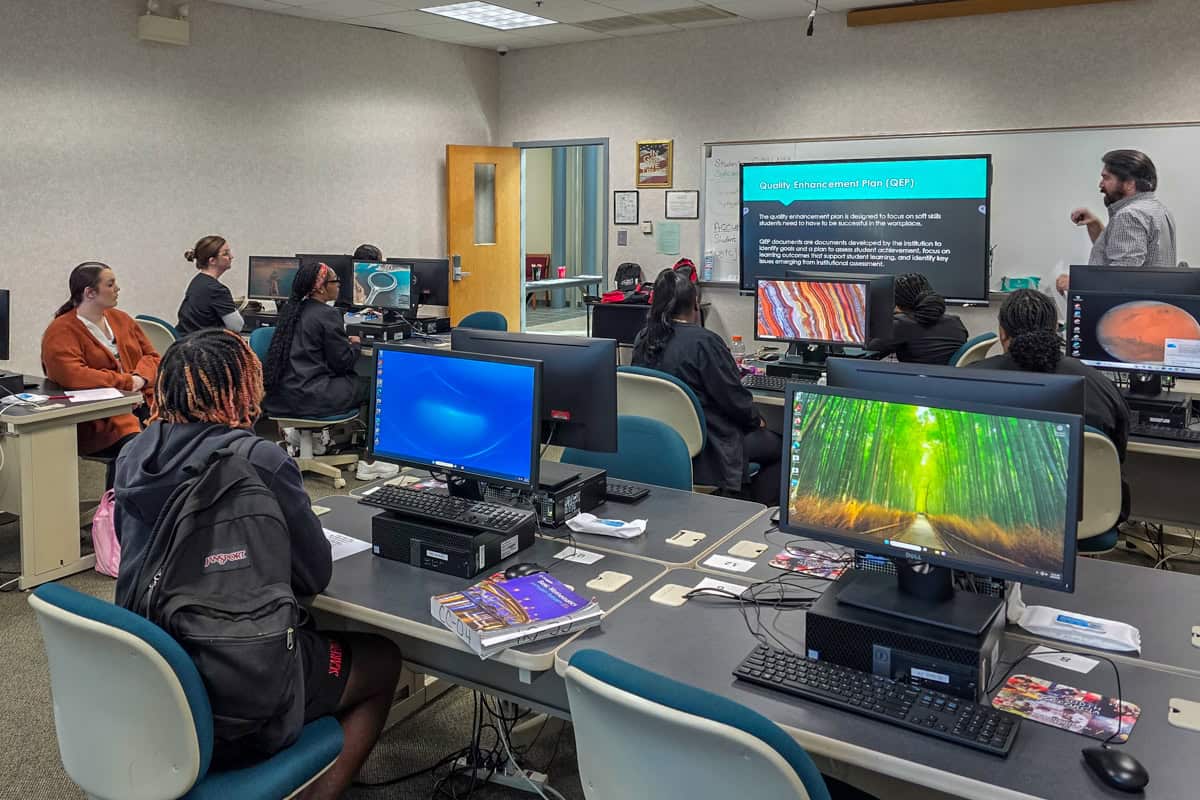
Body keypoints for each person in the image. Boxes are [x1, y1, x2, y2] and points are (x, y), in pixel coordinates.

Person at [112, 329, 403, 798]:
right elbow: (313, 574)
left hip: (154, 670)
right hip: (234, 678)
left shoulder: (132, 455)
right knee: (383, 657)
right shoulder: (254, 458)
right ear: (243, 388)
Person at [632, 268, 781, 505]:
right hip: (712, 448)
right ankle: (752, 514)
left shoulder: (643, 339)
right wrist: (756, 419)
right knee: (782, 447)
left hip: (664, 443)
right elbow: (734, 400)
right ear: (695, 304)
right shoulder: (704, 342)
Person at [973, 289, 1130, 460]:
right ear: (1055, 328)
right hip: (1091, 487)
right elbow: (1117, 455)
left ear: (1002, 332)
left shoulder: (969, 381)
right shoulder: (1100, 386)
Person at [41, 262, 160, 488]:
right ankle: (115, 513)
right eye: (110, 284)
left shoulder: (122, 319)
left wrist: (141, 379)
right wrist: (127, 382)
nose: (118, 289)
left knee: (184, 437)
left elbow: (154, 358)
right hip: (98, 418)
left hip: (145, 404)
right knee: (138, 447)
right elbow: (74, 376)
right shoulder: (61, 330)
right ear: (89, 292)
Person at [1057, 149, 1178, 294]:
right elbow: (1119, 253)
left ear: (1129, 184)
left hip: (1130, 312)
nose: (1101, 184)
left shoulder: (1130, 215)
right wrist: (1095, 224)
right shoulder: (1158, 209)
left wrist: (1076, 282)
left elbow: (1122, 275)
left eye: (1106, 178)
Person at [867, 273, 968, 365]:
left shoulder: (901, 324)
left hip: (915, 381)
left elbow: (867, 352)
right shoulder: (955, 321)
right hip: (950, 381)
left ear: (897, 302)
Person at [176, 235, 244, 335]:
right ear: (212, 261)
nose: (231, 257)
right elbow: (237, 326)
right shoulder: (217, 289)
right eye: (225, 254)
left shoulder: (198, 281)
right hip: (204, 345)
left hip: (187, 342)